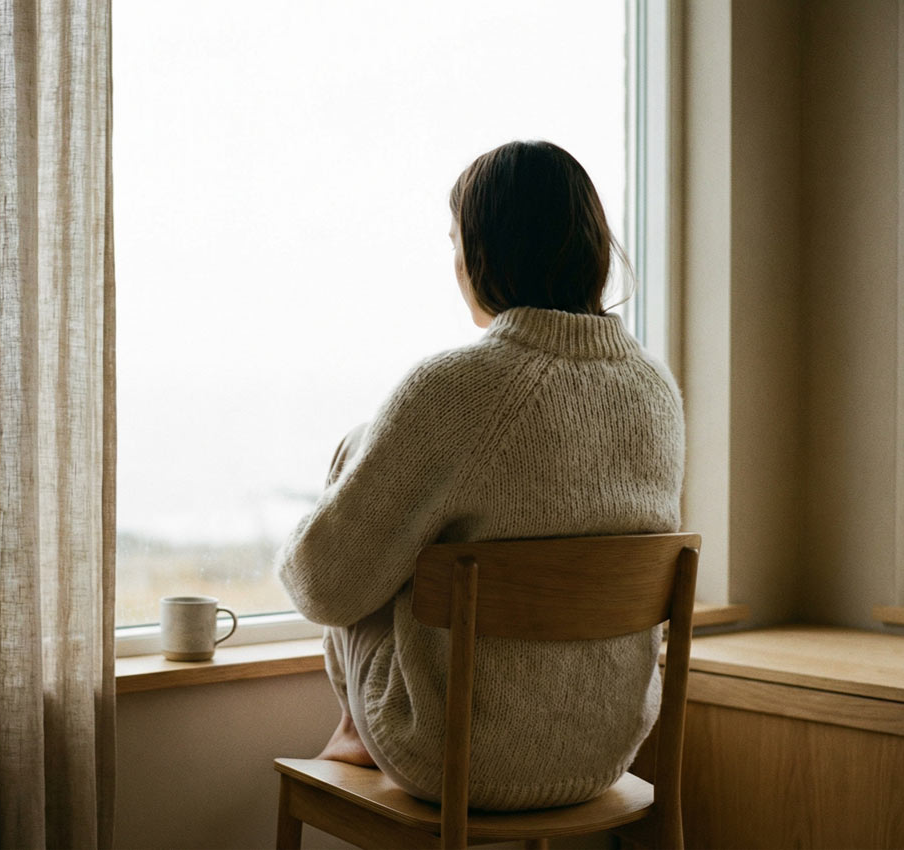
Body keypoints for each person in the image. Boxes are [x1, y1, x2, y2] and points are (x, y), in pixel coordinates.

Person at [275, 140, 686, 811]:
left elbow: (321, 586)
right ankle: (356, 731)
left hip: (452, 759)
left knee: (369, 531)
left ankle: (353, 731)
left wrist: (356, 454)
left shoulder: (453, 390)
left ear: (485, 251)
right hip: (608, 752)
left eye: (456, 241)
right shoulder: (656, 391)